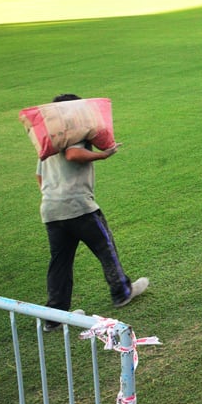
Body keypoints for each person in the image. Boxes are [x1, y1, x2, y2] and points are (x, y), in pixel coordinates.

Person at [36, 94, 148, 329]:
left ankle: (55, 317)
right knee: (105, 247)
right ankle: (122, 292)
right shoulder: (74, 133)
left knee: (60, 262)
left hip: (51, 209)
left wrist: (54, 196)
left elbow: (39, 176)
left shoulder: (49, 141)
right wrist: (103, 155)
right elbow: (73, 154)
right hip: (79, 207)